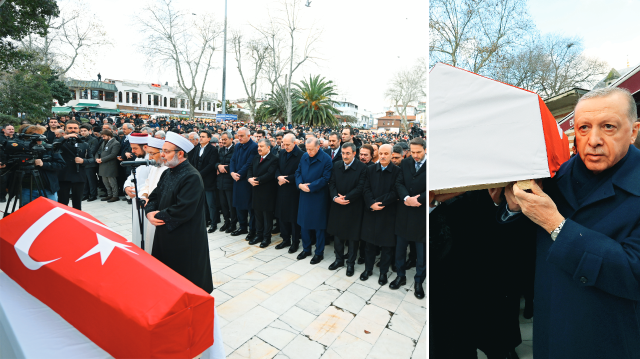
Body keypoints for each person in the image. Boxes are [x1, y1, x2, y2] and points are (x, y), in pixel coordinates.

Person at [482, 87, 640, 359]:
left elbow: (633, 273)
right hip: (552, 330)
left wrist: (557, 224)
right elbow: (522, 251)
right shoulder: (554, 175)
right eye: (583, 128)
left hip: (611, 337)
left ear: (634, 131)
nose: (593, 140)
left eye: (608, 127)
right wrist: (511, 209)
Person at [145, 132, 213, 293]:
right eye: (162, 150)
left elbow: (184, 209)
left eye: (167, 151)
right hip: (165, 232)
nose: (162, 154)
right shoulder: (168, 172)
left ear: (180, 154)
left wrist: (157, 215)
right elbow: (155, 195)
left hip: (184, 238)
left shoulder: (192, 176)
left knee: (185, 279)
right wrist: (149, 212)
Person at [359, 144, 400, 285]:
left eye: (386, 154)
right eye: (381, 153)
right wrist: (371, 203)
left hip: (387, 213)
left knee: (387, 246)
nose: (382, 156)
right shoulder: (370, 169)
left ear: (391, 155)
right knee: (369, 245)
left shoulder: (397, 171)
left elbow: (395, 192)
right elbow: (366, 188)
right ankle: (368, 269)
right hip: (371, 212)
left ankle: (383, 273)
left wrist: (379, 203)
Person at [391, 137, 426, 299]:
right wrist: (406, 198)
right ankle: (400, 275)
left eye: (419, 152)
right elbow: (399, 183)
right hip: (404, 212)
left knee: (421, 253)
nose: (416, 155)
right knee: (400, 248)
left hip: (421, 214)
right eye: (413, 152)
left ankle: (419, 281)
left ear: (425, 150)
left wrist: (419, 199)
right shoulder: (405, 163)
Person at [326, 142, 367, 276]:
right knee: (337, 235)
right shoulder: (336, 165)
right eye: (343, 153)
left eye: (348, 153)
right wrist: (334, 197)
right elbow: (331, 183)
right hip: (337, 205)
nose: (344, 156)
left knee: (352, 238)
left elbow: (361, 187)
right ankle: (338, 260)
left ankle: (350, 263)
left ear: (354, 153)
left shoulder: (362, 167)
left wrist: (347, 197)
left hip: (353, 206)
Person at [295, 137, 333, 264]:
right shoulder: (304, 156)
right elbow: (298, 171)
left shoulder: (326, 159)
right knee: (304, 224)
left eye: (311, 149)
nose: (309, 152)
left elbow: (325, 178)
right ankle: (306, 249)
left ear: (318, 147)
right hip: (304, 195)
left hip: (318, 196)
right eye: (307, 149)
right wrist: (300, 184)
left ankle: (319, 252)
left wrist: (310, 187)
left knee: (319, 226)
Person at [20, 125, 65, 204]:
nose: (38, 138)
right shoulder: (22, 149)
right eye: (35, 136)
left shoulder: (49, 148)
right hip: (27, 188)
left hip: (47, 187)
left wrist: (44, 164)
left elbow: (61, 164)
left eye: (40, 135)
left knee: (50, 213)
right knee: (28, 214)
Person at [247, 138, 279, 247]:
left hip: (267, 193)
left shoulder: (274, 159)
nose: (259, 148)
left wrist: (256, 180)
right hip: (256, 191)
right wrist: (249, 178)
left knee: (267, 217)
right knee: (258, 215)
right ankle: (258, 235)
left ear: (268, 147)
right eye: (258, 146)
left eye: (261, 146)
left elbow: (270, 174)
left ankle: (266, 238)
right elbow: (250, 169)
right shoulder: (256, 157)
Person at [274, 133, 303, 252]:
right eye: (283, 144)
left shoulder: (301, 155)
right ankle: (285, 239)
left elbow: (300, 172)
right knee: (282, 216)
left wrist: (285, 179)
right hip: (281, 188)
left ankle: (295, 242)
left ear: (294, 143)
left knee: (293, 218)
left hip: (293, 190)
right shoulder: (281, 153)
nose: (285, 146)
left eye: (288, 144)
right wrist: (278, 177)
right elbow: (276, 168)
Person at [56, 120, 95, 210]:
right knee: (63, 202)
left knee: (77, 203)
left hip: (79, 175)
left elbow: (92, 159)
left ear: (78, 129)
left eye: (75, 128)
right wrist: (66, 137)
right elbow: (54, 147)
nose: (73, 130)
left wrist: (83, 161)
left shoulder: (84, 144)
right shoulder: (60, 142)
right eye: (70, 128)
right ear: (65, 129)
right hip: (63, 176)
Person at [139, 137, 168, 255]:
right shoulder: (154, 167)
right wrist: (145, 195)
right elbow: (147, 184)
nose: (150, 158)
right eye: (148, 154)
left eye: (152, 154)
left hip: (160, 211)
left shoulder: (168, 169)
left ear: (162, 153)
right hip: (149, 207)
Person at [122, 133, 152, 247]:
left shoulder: (152, 161)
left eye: (135, 148)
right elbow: (131, 176)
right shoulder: (139, 158)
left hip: (146, 201)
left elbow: (151, 183)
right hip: (136, 199)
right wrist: (126, 187)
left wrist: (135, 190)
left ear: (145, 147)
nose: (133, 151)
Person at [229, 127, 258, 240]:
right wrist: (232, 172)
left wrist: (238, 174)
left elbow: (248, 164)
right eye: (238, 136)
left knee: (250, 206)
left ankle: (252, 230)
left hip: (246, 181)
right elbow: (233, 160)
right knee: (238, 205)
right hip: (236, 179)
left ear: (248, 136)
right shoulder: (237, 145)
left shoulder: (254, 147)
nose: (239, 138)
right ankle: (242, 227)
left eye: (242, 136)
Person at [193, 130, 219, 233]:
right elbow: (194, 161)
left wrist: (199, 173)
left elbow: (211, 164)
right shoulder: (196, 148)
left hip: (209, 180)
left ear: (209, 138)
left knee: (211, 203)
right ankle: (205, 220)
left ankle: (214, 223)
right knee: (202, 203)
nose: (201, 138)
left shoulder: (213, 150)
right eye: (200, 136)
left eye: (203, 136)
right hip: (199, 180)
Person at [216, 132, 237, 233]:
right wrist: (218, 166)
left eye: (225, 139)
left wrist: (226, 168)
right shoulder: (221, 149)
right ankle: (226, 222)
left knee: (230, 204)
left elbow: (236, 164)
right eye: (222, 139)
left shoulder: (235, 150)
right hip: (221, 181)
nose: (223, 141)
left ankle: (233, 224)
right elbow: (216, 162)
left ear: (231, 139)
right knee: (223, 204)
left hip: (230, 181)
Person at [95, 129, 121, 202]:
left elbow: (113, 155)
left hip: (110, 165)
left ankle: (115, 195)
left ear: (109, 136)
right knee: (105, 182)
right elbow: (98, 151)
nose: (103, 138)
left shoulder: (116, 143)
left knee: (112, 182)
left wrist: (102, 159)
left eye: (104, 136)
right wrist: (97, 158)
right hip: (103, 165)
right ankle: (109, 194)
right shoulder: (104, 142)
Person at [80, 124, 100, 201]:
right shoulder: (80, 139)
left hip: (90, 163)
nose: (83, 132)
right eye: (81, 131)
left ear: (90, 131)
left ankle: (93, 195)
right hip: (82, 163)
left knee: (91, 180)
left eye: (85, 131)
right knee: (84, 180)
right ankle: (85, 194)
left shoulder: (93, 140)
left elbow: (91, 151)